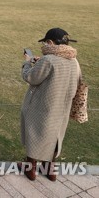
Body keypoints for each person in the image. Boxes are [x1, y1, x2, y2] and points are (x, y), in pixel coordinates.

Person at [18, 28, 80, 182]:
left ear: (51, 42)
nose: (45, 44)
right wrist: (40, 63)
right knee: (55, 135)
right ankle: (50, 171)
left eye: (46, 42)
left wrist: (27, 63)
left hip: (43, 106)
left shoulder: (49, 60)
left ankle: (30, 169)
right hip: (62, 107)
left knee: (35, 132)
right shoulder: (74, 60)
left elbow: (31, 77)